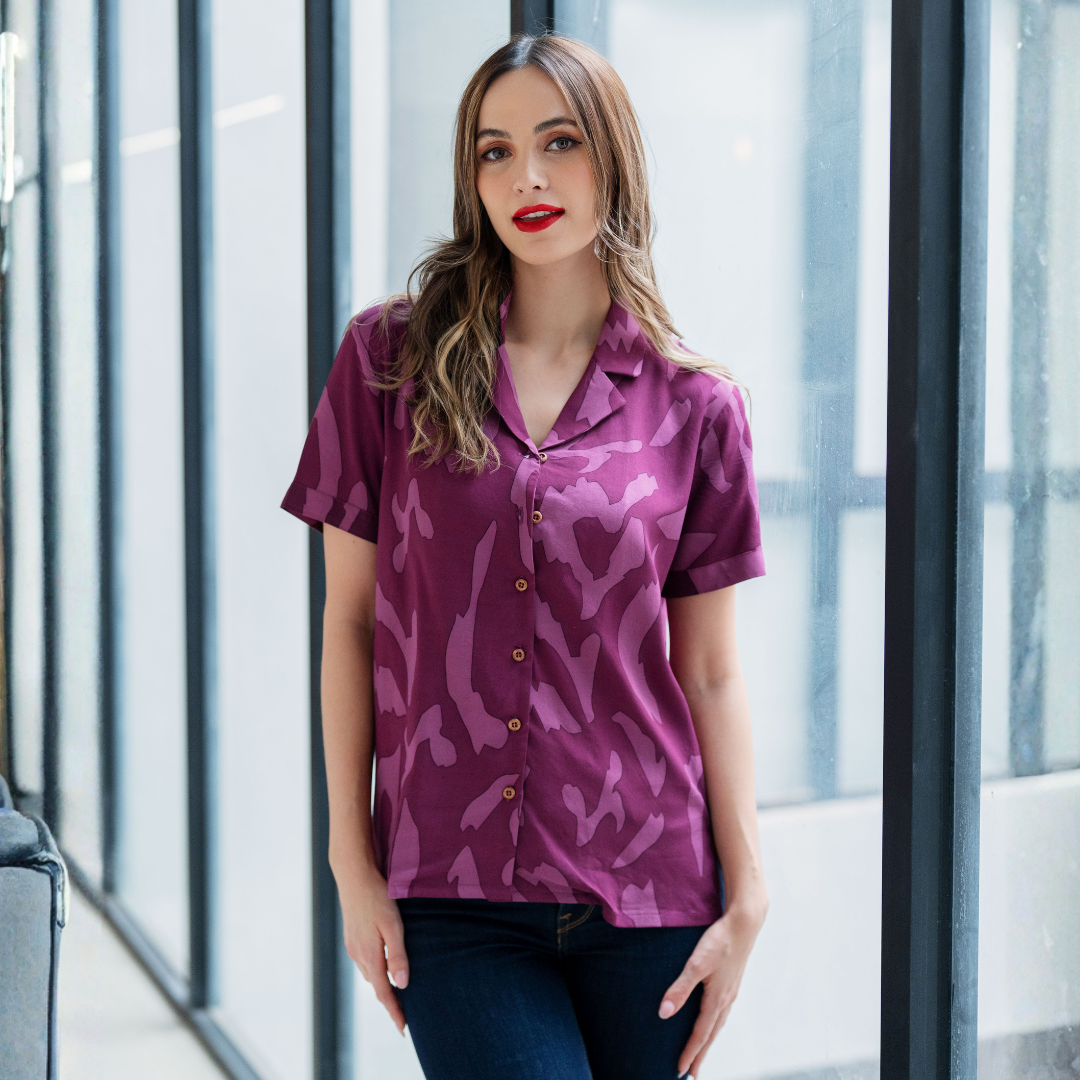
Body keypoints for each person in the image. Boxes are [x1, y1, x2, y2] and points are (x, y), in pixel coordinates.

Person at [282, 32, 768, 1080]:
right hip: (452, 889)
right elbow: (350, 623)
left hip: (651, 892)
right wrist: (350, 859)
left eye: (560, 143)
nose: (527, 178)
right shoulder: (386, 363)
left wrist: (749, 896)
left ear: (613, 157)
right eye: (495, 152)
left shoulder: (698, 406)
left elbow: (710, 671)